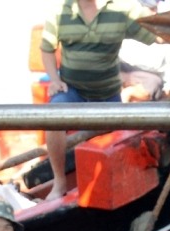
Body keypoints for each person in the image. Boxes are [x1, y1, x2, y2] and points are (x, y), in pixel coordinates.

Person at [39, 0, 158, 197]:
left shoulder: (123, 9)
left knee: (115, 146)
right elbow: (47, 48)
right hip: (72, 89)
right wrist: (54, 79)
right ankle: (59, 182)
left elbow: (158, 34)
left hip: (108, 95)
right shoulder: (59, 11)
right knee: (52, 117)